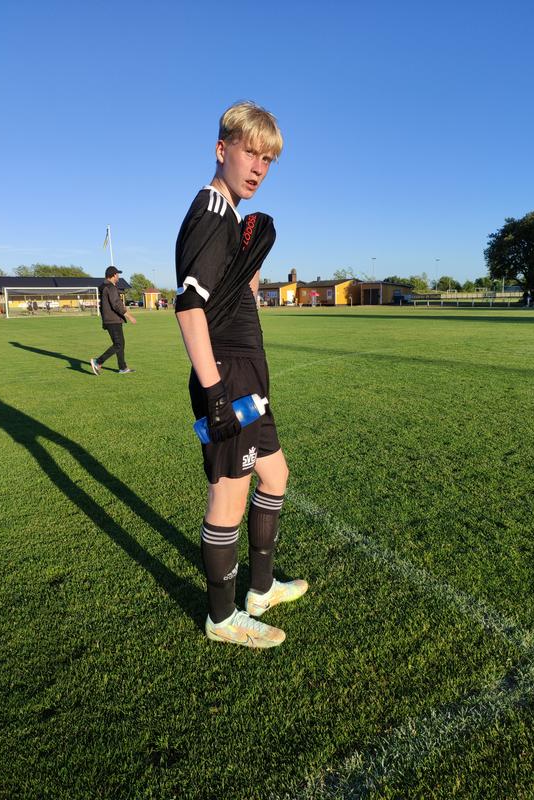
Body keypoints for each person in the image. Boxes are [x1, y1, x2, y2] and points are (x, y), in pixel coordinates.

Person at [175, 101, 307, 649]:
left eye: (268, 159)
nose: (258, 166)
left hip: (248, 375)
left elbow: (233, 291)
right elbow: (189, 306)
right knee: (228, 498)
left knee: (275, 477)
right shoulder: (210, 211)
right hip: (226, 378)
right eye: (250, 152)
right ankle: (223, 618)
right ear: (221, 149)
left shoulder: (232, 217)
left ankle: (258, 589)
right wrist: (214, 394)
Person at [90, 266, 137, 375]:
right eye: (117, 274)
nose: (118, 276)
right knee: (118, 344)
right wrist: (129, 316)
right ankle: (97, 361)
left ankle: (122, 368)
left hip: (111, 320)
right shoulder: (110, 288)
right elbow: (116, 304)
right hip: (113, 320)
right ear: (113, 275)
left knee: (120, 343)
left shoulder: (107, 287)